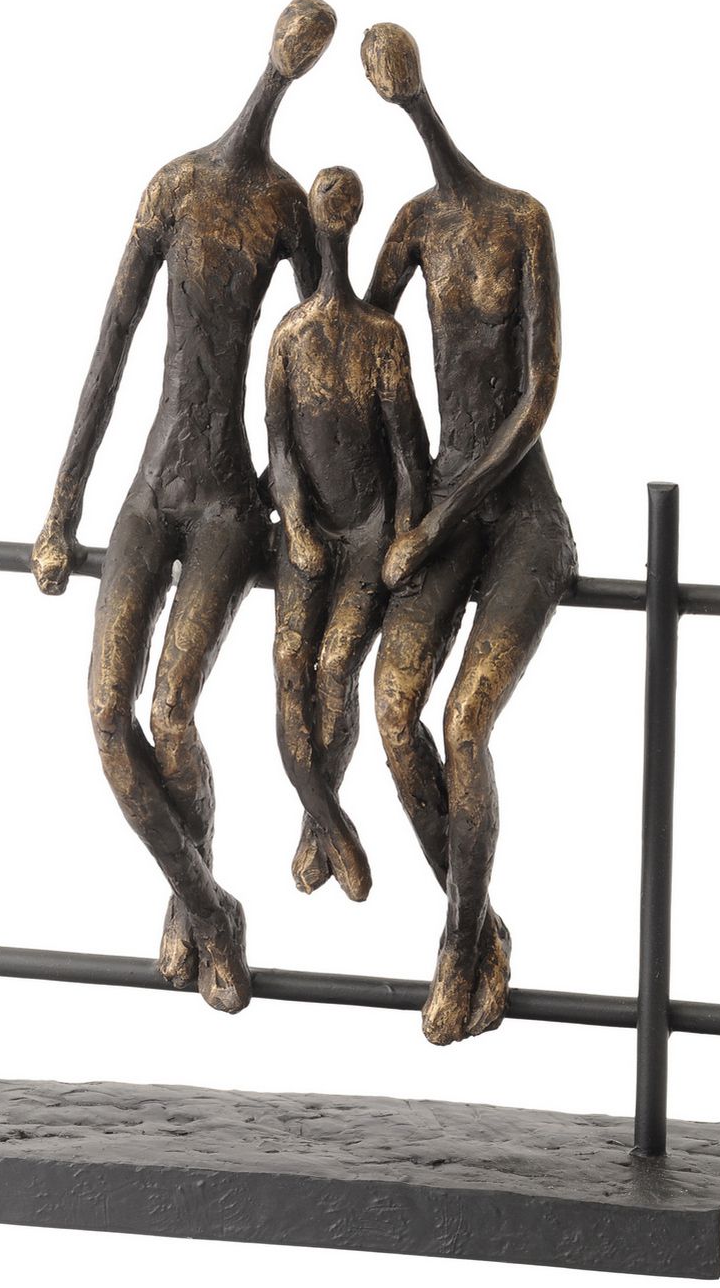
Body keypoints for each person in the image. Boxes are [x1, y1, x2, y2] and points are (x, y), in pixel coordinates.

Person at [31, 0, 336, 1015]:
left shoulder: (288, 208)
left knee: (170, 714)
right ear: (278, 46)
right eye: (294, 40)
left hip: (226, 504)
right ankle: (210, 906)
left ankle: (195, 906)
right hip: (151, 489)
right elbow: (110, 346)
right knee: (104, 715)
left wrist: (307, 507)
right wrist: (61, 507)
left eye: (310, 47)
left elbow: (309, 367)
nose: (297, 52)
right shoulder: (176, 185)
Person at [361, 23, 578, 1044]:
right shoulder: (410, 224)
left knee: (463, 725)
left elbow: (536, 397)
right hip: (443, 505)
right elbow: (365, 340)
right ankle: (477, 924)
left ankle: (456, 949)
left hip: (521, 513)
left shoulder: (521, 220)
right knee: (390, 710)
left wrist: (437, 517)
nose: (393, 89)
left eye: (397, 80)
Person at [264, 166, 428, 903]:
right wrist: (296, 525)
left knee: (335, 669)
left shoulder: (381, 338)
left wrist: (403, 537)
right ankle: (330, 821)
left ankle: (314, 822)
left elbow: (408, 451)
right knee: (288, 665)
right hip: (310, 531)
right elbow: (278, 448)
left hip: (365, 534)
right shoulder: (289, 336)